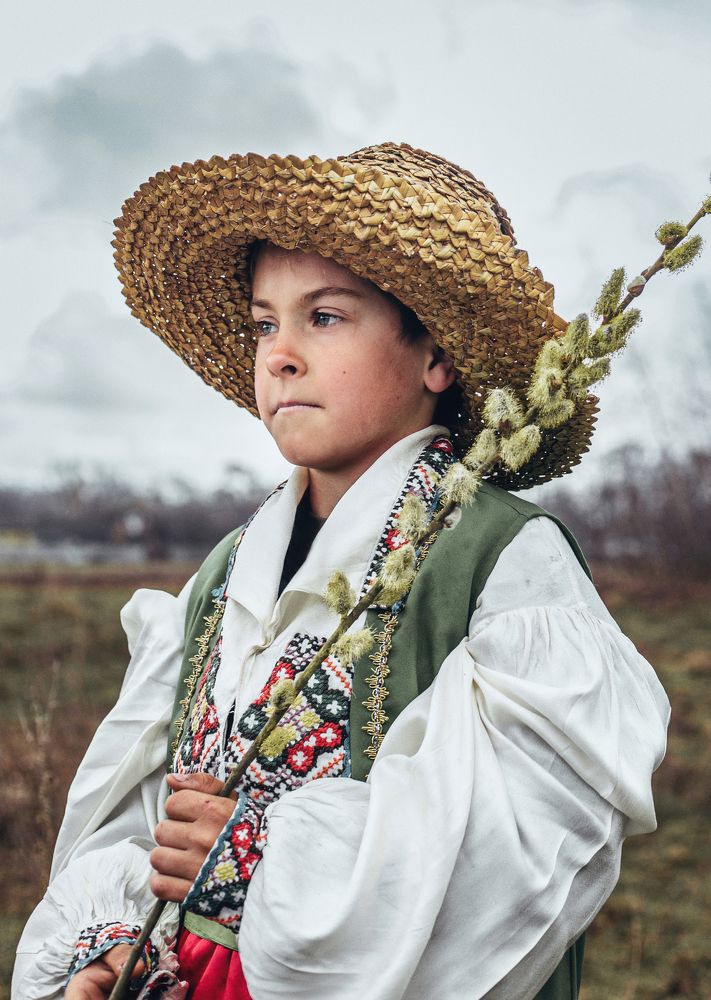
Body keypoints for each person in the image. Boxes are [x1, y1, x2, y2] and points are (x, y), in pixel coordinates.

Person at [13, 143, 670, 1000]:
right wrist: (112, 954)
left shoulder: (504, 561)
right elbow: (142, 820)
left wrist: (254, 860)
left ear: (436, 358)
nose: (278, 354)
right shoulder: (223, 573)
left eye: (323, 317)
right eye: (264, 324)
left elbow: (515, 860)